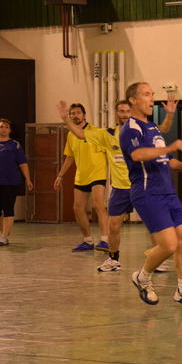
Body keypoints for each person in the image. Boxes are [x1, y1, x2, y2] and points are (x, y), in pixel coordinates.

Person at [57, 96, 176, 271]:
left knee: (152, 224)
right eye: (121, 111)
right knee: (113, 225)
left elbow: (164, 128)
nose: (125, 114)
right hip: (120, 188)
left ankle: (159, 261)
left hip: (142, 186)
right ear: (116, 113)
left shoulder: (143, 130)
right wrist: (65, 119)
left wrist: (170, 114)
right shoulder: (108, 134)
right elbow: (81, 133)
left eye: (128, 111)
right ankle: (113, 260)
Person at [120, 82, 182, 309]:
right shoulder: (130, 128)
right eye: (146, 95)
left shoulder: (152, 127)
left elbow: (162, 158)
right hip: (148, 193)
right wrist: (170, 147)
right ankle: (142, 278)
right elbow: (138, 155)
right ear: (133, 101)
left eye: (152, 95)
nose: (151, 99)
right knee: (168, 245)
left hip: (167, 191)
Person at [53, 103, 110, 252]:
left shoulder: (96, 132)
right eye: (72, 113)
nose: (75, 115)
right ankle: (88, 241)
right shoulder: (71, 135)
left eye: (78, 113)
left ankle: (105, 240)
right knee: (77, 208)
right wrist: (60, 175)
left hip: (98, 173)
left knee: (99, 204)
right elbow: (69, 157)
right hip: (81, 175)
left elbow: (108, 153)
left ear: (84, 115)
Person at [0, 118, 33, 245]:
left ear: (10, 130)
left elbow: (23, 164)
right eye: (1, 126)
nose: (3, 129)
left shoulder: (15, 145)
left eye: (6, 127)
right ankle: (5, 231)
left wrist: (28, 179)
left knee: (8, 209)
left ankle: (3, 236)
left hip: (10, 182)